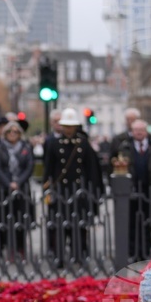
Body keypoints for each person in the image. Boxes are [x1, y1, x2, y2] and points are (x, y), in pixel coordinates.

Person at [43, 108, 101, 266]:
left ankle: (79, 254)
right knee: (60, 224)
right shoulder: (54, 143)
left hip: (78, 189)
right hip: (60, 190)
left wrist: (93, 190)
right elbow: (48, 167)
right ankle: (59, 255)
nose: (68, 129)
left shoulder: (82, 143)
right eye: (66, 126)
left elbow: (91, 168)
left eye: (71, 126)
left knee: (79, 223)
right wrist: (47, 187)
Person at [0, 121, 35, 257]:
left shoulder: (25, 147)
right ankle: (4, 247)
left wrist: (18, 182)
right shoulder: (0, 148)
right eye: (10, 132)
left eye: (15, 132)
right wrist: (8, 183)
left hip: (22, 188)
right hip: (4, 189)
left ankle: (20, 247)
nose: (12, 134)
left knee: (21, 219)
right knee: (3, 219)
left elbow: (29, 166)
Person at [117, 119, 151, 262]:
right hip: (131, 189)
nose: (139, 133)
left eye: (141, 130)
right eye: (136, 130)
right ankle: (133, 251)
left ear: (146, 132)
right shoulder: (125, 147)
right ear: (132, 132)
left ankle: (145, 250)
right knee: (132, 221)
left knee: (147, 220)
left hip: (147, 189)